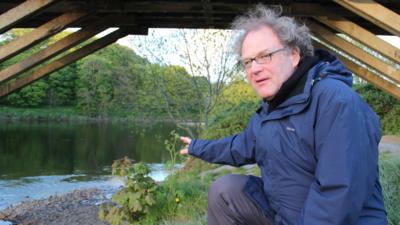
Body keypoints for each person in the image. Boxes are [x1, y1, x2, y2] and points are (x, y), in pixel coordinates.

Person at [179, 4, 388, 225]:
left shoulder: (336, 101)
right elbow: (241, 145)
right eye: (248, 62)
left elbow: (338, 196)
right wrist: (197, 147)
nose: (254, 68)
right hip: (288, 214)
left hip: (338, 220)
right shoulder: (271, 108)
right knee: (225, 192)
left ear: (294, 55)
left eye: (265, 56)